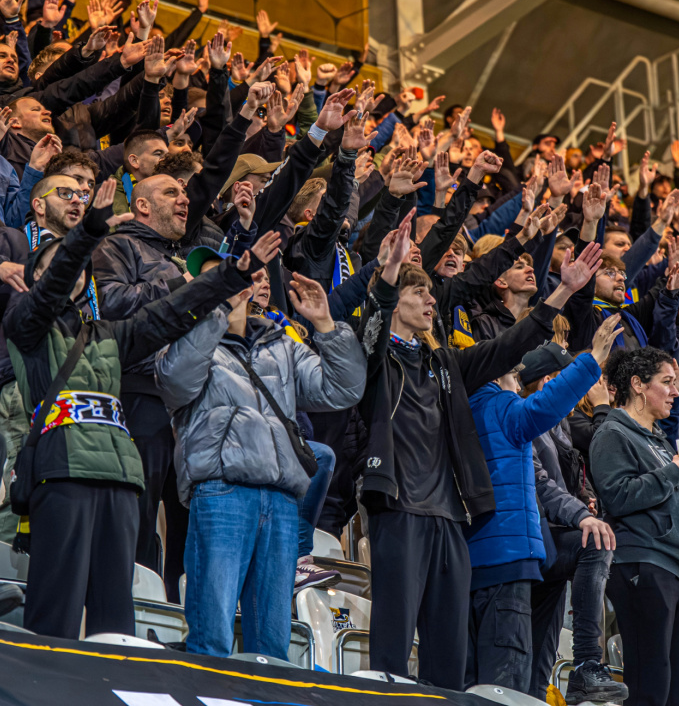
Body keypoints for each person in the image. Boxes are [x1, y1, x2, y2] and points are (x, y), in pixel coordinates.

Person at [2, 178, 274, 639]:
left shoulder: (109, 335)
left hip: (121, 479)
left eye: (75, 268)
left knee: (117, 619)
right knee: (56, 611)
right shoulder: (25, 328)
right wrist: (86, 233)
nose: (67, 274)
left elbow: (168, 314)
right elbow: (49, 294)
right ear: (33, 282)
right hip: (62, 471)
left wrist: (230, 277)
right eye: (52, 268)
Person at [358, 207, 603, 690]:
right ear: (395, 301)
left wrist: (564, 291)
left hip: (451, 517)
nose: (431, 298)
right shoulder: (376, 359)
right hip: (399, 507)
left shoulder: (447, 363)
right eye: (418, 291)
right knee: (391, 645)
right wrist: (388, 275)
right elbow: (370, 326)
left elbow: (513, 345)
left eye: (430, 290)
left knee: (449, 656)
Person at [155, 245, 366, 658]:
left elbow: (342, 389)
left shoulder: (280, 343)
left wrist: (325, 324)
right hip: (221, 493)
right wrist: (214, 317)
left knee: (272, 645)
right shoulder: (183, 338)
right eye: (213, 278)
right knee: (211, 635)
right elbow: (174, 383)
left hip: (283, 501)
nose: (223, 283)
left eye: (230, 275)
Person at [466, 316, 627, 705]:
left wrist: (582, 503)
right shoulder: (498, 406)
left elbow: (559, 472)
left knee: (531, 676)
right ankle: (588, 664)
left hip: (534, 552)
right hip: (511, 555)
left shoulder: (510, 411)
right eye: (514, 372)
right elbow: (541, 479)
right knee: (507, 681)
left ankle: (585, 669)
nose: (517, 376)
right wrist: (590, 361)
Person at [591, 347, 679, 706]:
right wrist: (675, 472)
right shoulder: (613, 433)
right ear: (638, 385)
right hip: (645, 564)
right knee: (650, 685)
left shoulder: (659, 440)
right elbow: (618, 496)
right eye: (667, 382)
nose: (675, 391)